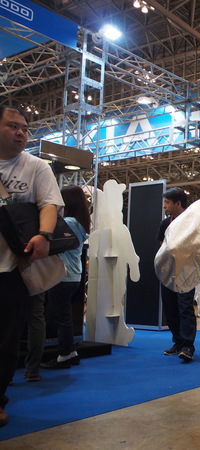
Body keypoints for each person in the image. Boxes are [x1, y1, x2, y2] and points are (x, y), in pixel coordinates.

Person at [0, 106, 64, 427]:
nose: (21, 133)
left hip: (12, 268)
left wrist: (44, 234)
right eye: (13, 126)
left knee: (6, 338)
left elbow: (49, 203)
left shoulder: (36, 166)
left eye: (25, 128)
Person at [41, 186, 90, 369]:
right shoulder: (79, 223)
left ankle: (64, 356)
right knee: (65, 315)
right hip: (73, 275)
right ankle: (71, 352)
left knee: (60, 317)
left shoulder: (67, 222)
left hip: (61, 275)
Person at [157, 187, 196, 362]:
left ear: (178, 203)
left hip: (187, 271)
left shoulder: (193, 221)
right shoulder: (165, 223)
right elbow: (161, 246)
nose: (164, 206)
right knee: (170, 307)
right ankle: (178, 342)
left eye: (167, 202)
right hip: (168, 273)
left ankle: (188, 346)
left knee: (185, 308)